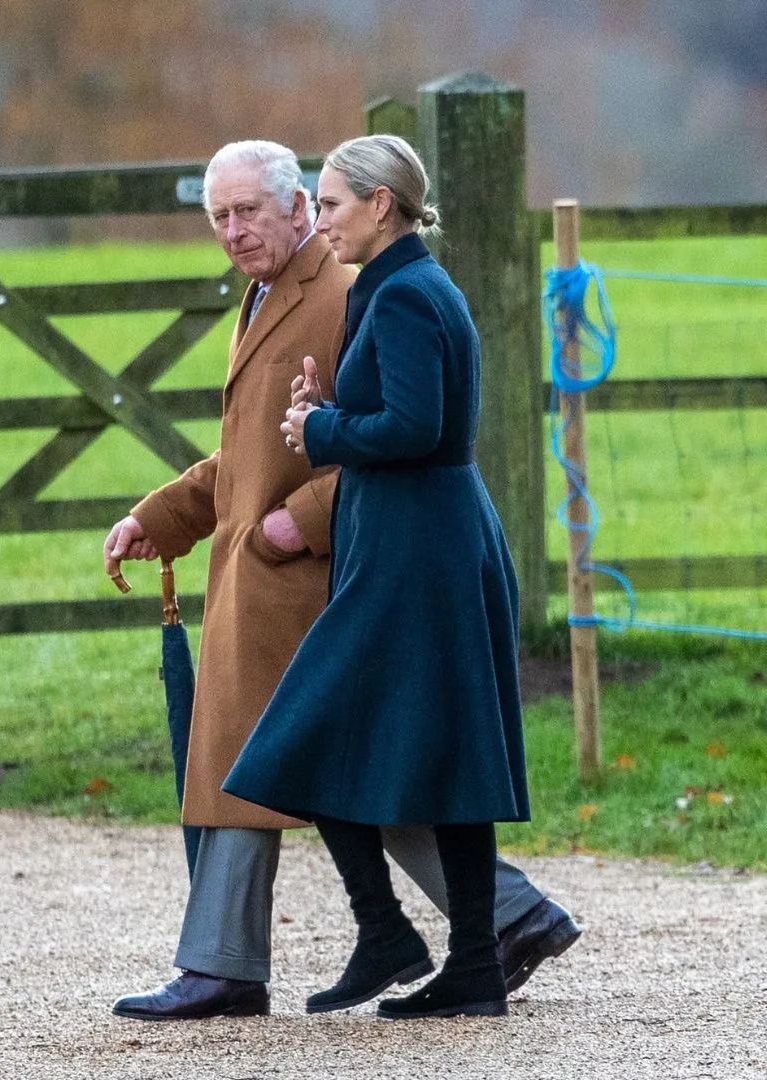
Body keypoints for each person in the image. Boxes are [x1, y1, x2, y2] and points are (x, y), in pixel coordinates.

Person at [104, 140, 578, 1022]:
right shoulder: (268, 296)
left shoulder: (349, 291)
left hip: (330, 570)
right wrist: (159, 518)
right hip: (298, 564)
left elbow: (394, 428)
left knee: (293, 757)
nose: (234, 231)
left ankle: (229, 963)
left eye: (256, 211)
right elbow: (254, 451)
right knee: (351, 764)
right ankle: (504, 921)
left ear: (307, 208)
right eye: (219, 216)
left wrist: (303, 518)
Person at [222, 133, 538, 1020]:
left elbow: (412, 426)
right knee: (437, 746)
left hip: (417, 551)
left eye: (327, 204)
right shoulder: (399, 287)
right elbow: (400, 416)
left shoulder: (402, 296)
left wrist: (320, 434)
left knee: (306, 730)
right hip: (414, 539)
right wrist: (328, 408)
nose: (318, 220)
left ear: (379, 205)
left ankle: (413, 940)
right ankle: (446, 953)